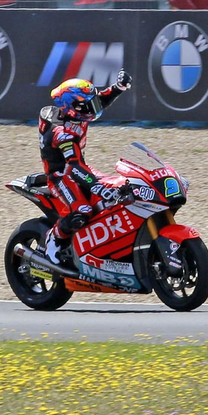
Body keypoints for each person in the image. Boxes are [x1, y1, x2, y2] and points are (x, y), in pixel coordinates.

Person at [38, 71, 132, 268]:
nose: (94, 107)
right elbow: (74, 168)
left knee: (119, 185)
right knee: (83, 210)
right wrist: (97, 187)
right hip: (60, 176)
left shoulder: (73, 112)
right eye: (89, 105)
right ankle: (53, 241)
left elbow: (99, 101)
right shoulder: (62, 133)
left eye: (92, 103)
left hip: (79, 166)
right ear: (73, 108)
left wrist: (118, 87)